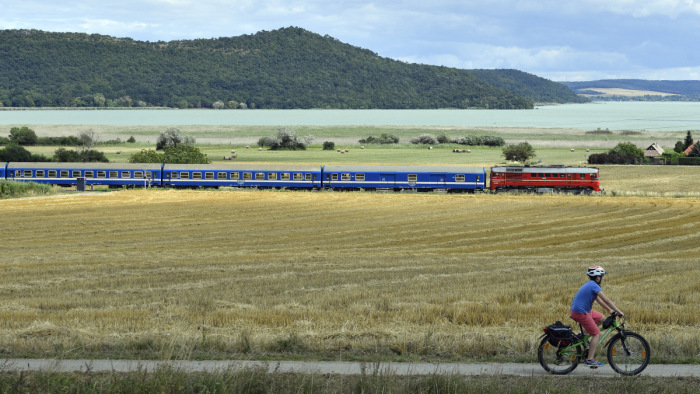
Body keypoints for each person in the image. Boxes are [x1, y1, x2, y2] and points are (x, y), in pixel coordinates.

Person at [570, 265, 624, 368]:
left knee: (601, 318)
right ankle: (589, 360)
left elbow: (599, 300)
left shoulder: (591, 285)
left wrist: (610, 310)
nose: (603, 278)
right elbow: (607, 300)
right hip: (580, 312)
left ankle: (584, 335)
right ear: (598, 277)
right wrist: (619, 311)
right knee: (596, 334)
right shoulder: (594, 286)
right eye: (602, 276)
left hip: (584, 310)